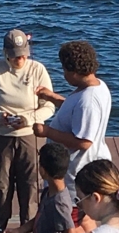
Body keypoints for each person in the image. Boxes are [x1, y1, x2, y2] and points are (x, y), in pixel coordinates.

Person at [0, 28, 55, 233]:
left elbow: (48, 105)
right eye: (14, 55)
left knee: (30, 192)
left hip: (29, 138)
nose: (20, 59)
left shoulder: (38, 70)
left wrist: (28, 119)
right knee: (1, 192)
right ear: (5, 53)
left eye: (23, 54)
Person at [32, 40, 111, 205]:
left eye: (64, 69)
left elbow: (84, 142)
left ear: (74, 71)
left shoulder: (89, 100)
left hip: (75, 174)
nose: (64, 74)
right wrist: (53, 98)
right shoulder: (98, 86)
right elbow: (75, 112)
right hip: (77, 169)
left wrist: (47, 132)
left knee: (68, 218)